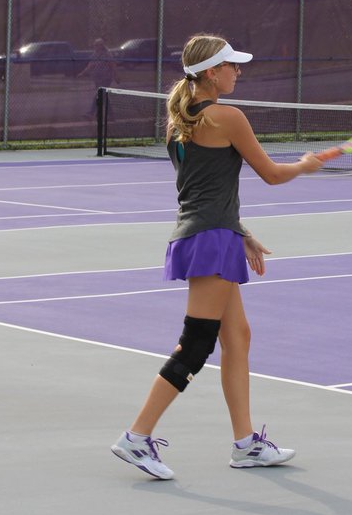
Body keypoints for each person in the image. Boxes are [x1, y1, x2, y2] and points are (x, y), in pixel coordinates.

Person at [110, 34, 328, 480]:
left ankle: (245, 444)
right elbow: (270, 174)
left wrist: (240, 232)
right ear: (212, 72)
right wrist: (305, 166)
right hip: (210, 240)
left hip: (207, 235)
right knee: (197, 343)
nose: (238, 71)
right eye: (231, 65)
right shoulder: (228, 117)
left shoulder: (179, 121)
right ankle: (135, 437)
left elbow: (202, 192)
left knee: (238, 337)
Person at [79, 38, 118, 118]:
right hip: (97, 79)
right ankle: (111, 115)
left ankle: (90, 113)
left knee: (99, 95)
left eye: (97, 45)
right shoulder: (95, 54)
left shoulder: (107, 54)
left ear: (102, 45)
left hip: (106, 78)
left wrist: (116, 76)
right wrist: (83, 73)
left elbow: (112, 65)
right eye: (95, 45)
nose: (95, 47)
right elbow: (90, 65)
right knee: (103, 97)